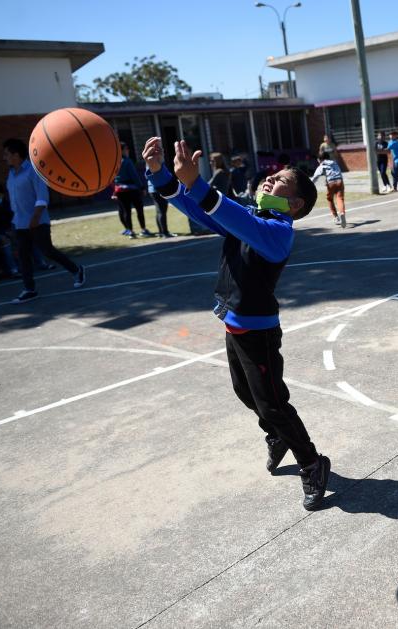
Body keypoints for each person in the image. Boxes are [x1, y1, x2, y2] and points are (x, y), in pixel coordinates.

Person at [141, 135, 330, 511]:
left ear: (294, 204)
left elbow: (224, 212)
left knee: (274, 404)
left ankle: (312, 462)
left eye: (280, 182)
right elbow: (200, 211)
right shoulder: (250, 216)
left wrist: (197, 184)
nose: (270, 180)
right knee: (246, 394)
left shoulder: (279, 233)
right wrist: (161, 175)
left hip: (258, 331)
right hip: (234, 324)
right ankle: (276, 438)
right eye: (272, 176)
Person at [3, 138, 86, 304]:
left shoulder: (34, 171)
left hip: (37, 221)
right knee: (24, 256)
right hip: (19, 223)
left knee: (47, 251)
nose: (4, 157)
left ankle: (77, 270)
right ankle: (30, 289)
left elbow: (42, 197)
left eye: (6, 154)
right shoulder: (11, 174)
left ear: (16, 155)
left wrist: (34, 218)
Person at [114, 142, 151, 238]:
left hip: (120, 190)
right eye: (126, 149)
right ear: (121, 150)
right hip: (132, 189)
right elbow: (134, 176)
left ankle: (130, 231)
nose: (128, 151)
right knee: (139, 210)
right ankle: (143, 229)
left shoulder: (114, 162)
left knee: (126, 212)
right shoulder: (127, 161)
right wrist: (142, 187)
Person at [311, 150, 347, 228]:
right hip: (340, 180)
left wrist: (310, 184)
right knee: (340, 198)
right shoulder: (334, 162)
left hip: (331, 183)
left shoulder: (322, 165)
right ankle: (342, 213)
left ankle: (336, 217)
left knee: (330, 199)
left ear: (320, 159)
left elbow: (315, 177)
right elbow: (339, 171)